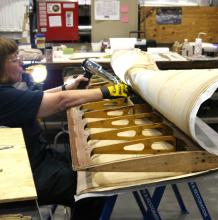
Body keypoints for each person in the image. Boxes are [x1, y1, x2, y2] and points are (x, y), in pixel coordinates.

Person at [0, 37, 129, 219]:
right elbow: (61, 102)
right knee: (93, 189)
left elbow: (34, 99)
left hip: (34, 161)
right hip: (29, 173)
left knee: (81, 165)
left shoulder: (7, 92)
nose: (21, 63)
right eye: (14, 59)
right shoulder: (4, 96)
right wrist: (109, 92)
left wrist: (65, 87)